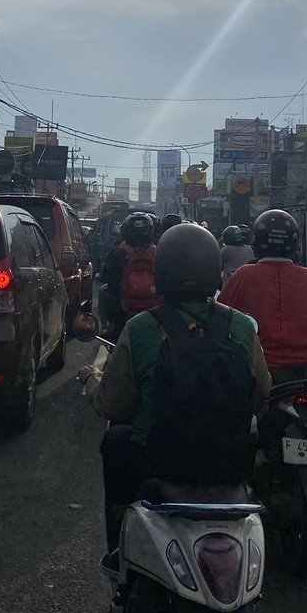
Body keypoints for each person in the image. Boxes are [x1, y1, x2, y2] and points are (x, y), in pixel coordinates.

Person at [78, 224, 271, 562]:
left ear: (162, 269)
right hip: (229, 460)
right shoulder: (240, 325)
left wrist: (93, 379)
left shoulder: (141, 328)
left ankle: (118, 554)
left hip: (160, 460)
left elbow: (112, 405)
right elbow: (261, 395)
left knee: (115, 442)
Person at [219, 209, 307, 385]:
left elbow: (221, 319)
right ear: (294, 242)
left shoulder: (243, 275)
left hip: (259, 370)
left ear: (257, 241)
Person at [98, 211, 159, 340]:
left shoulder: (119, 252)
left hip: (123, 313)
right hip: (156, 311)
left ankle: (105, 327)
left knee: (103, 291)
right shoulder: (158, 252)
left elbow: (106, 277)